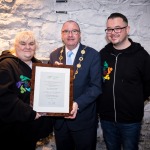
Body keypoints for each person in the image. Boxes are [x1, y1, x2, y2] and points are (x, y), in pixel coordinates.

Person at [97, 12, 150, 150]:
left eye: (117, 28)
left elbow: (148, 86)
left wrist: (135, 100)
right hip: (107, 119)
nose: (113, 32)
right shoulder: (103, 54)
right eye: (109, 29)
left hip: (131, 121)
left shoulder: (141, 56)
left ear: (127, 29)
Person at [49, 20, 102, 150]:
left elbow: (96, 87)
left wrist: (77, 104)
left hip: (84, 120)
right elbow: (50, 85)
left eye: (74, 31)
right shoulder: (54, 55)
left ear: (80, 34)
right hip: (60, 122)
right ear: (62, 35)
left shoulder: (92, 55)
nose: (70, 34)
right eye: (66, 31)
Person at [0, 31, 53, 150]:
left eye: (31, 43)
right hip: (12, 131)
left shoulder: (38, 65)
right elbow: (5, 98)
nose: (27, 47)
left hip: (31, 129)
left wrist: (57, 71)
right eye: (23, 43)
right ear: (15, 46)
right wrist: (31, 113)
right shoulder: (6, 65)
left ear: (36, 46)